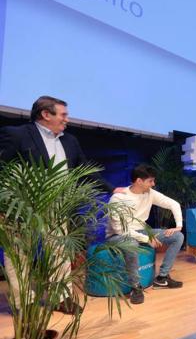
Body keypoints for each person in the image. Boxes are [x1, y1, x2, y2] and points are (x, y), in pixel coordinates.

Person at [0, 96, 119, 313]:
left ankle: (61, 297)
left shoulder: (70, 141)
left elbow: (84, 169)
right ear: (46, 114)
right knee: (19, 255)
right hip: (21, 208)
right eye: (63, 114)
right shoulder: (17, 134)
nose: (67, 119)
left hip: (57, 207)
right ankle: (23, 303)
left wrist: (112, 189)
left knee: (60, 253)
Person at [106, 164, 185, 305]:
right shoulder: (118, 198)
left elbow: (174, 204)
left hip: (141, 232)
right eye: (150, 181)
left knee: (178, 237)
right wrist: (146, 238)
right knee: (131, 243)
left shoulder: (150, 194)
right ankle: (135, 287)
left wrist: (178, 226)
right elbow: (120, 229)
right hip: (118, 235)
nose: (153, 184)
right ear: (139, 181)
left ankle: (162, 278)